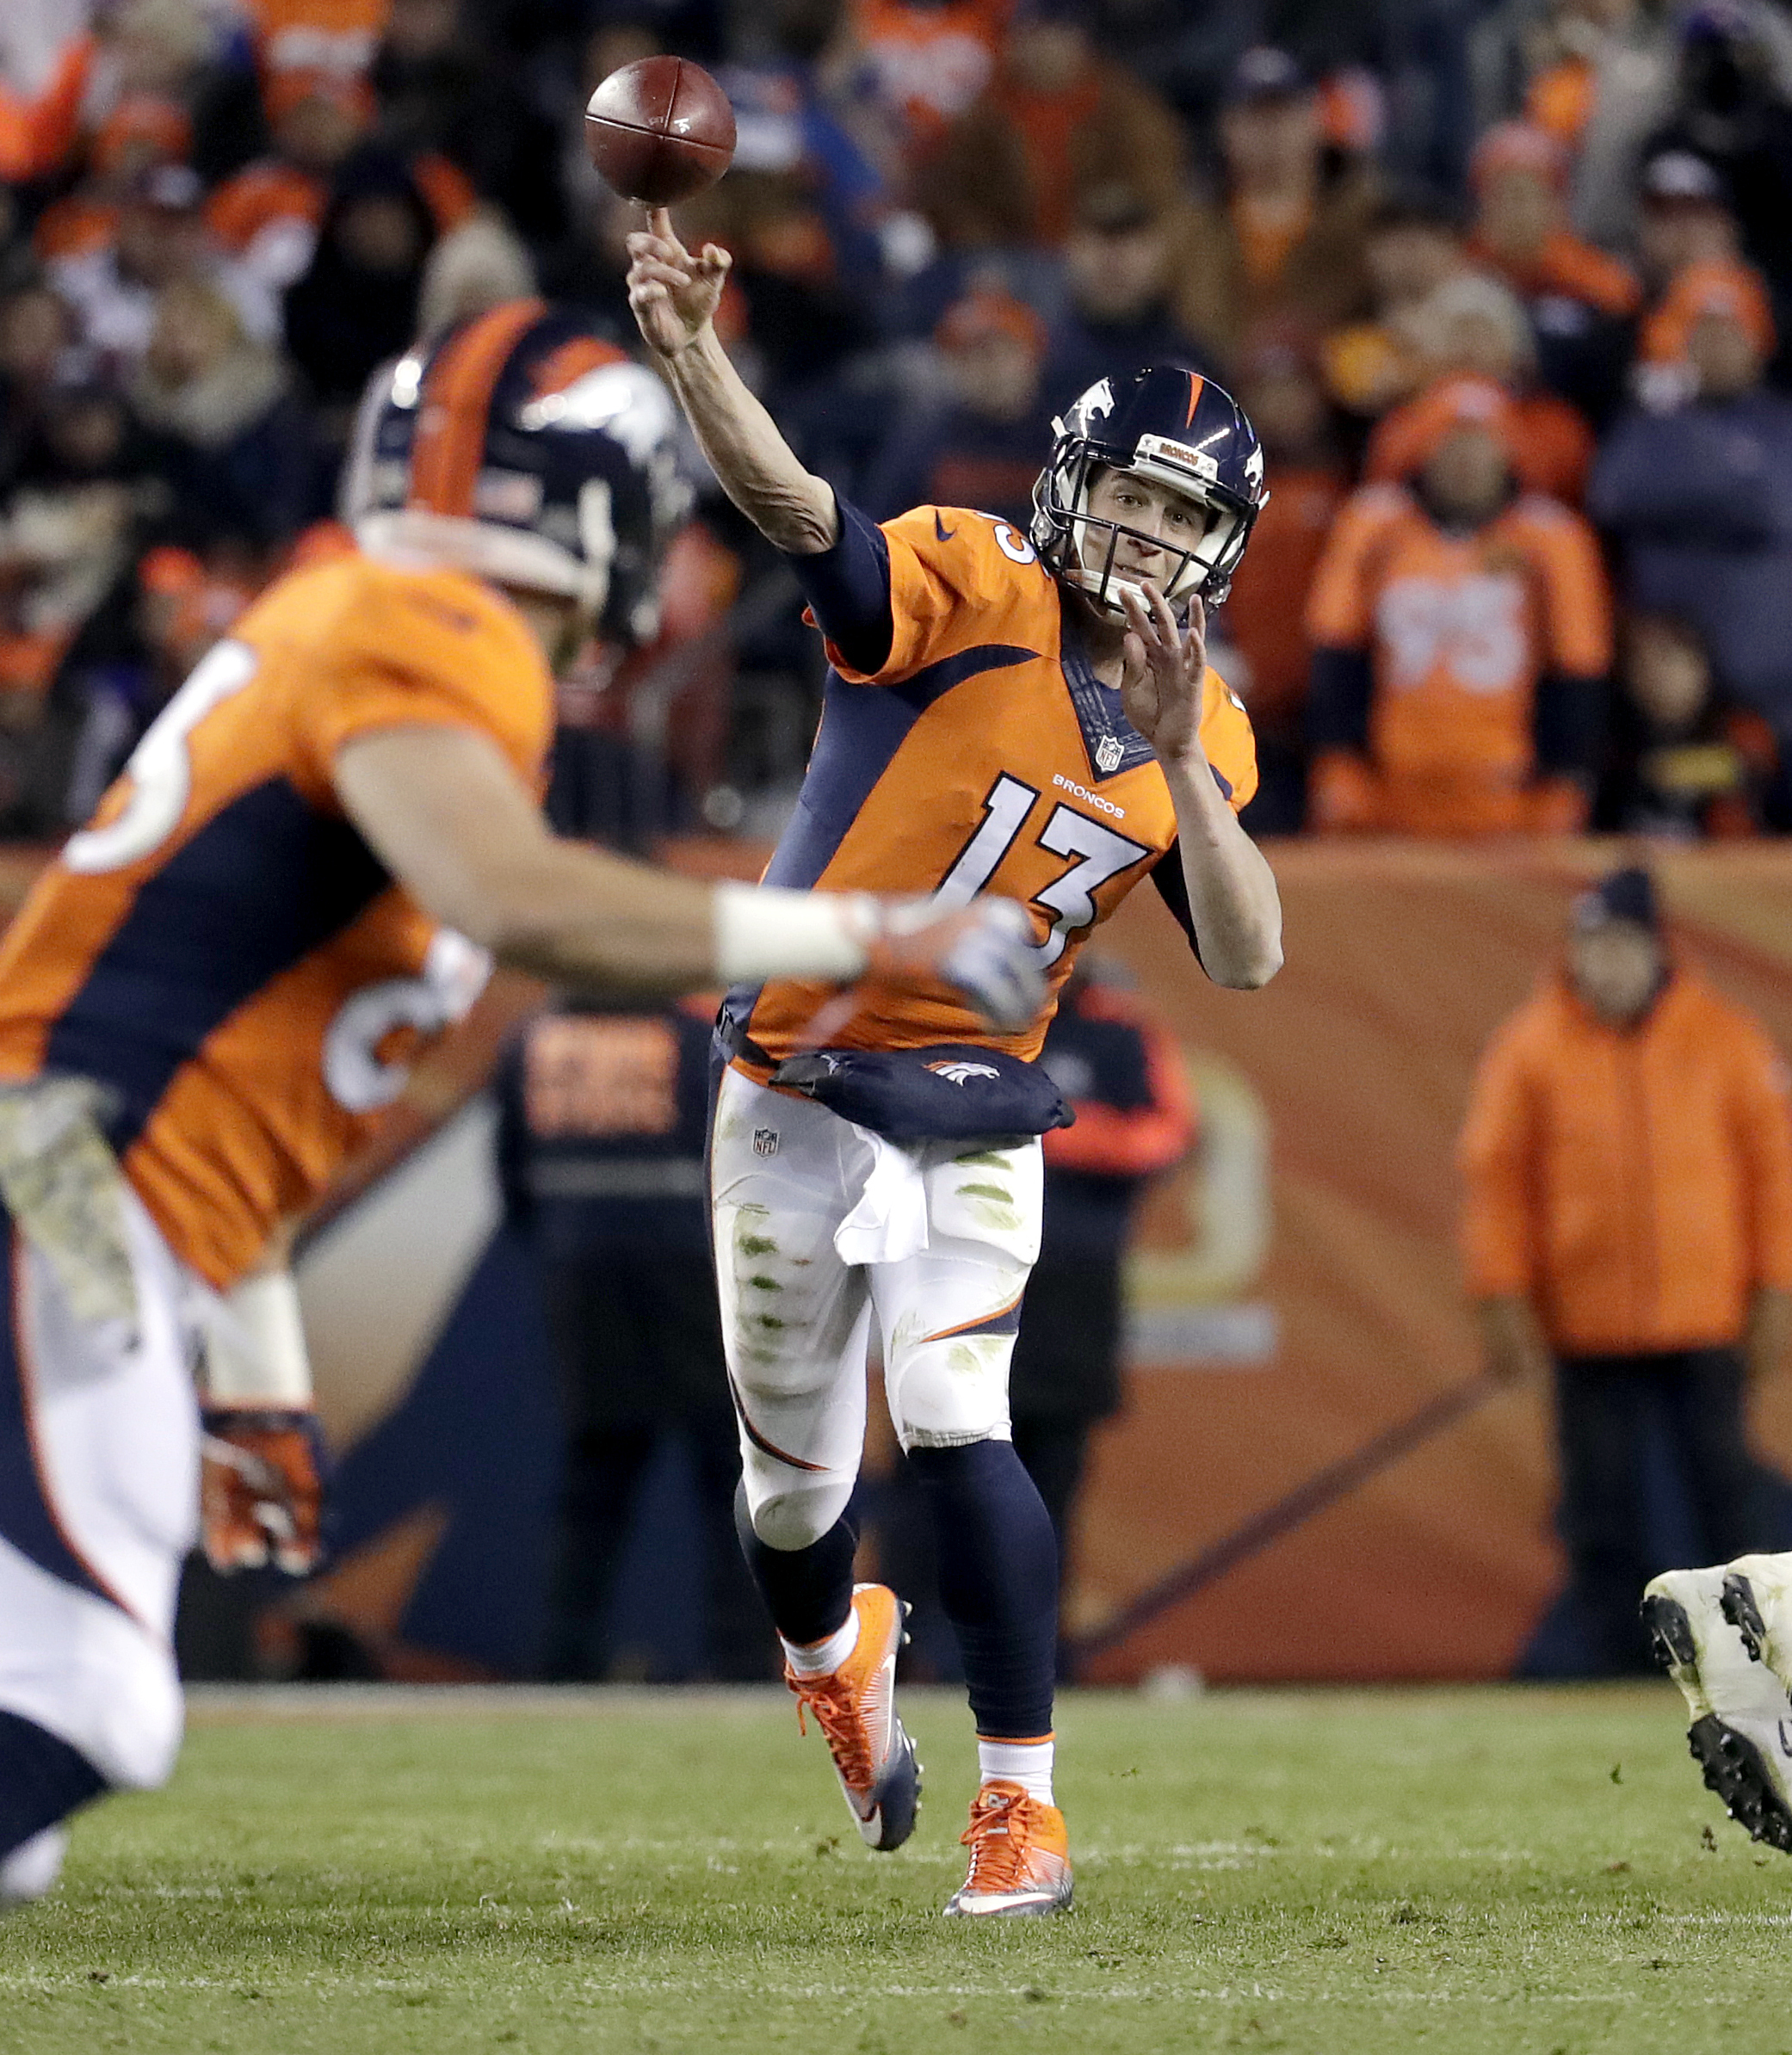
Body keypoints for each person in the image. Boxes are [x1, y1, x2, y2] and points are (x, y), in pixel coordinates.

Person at [0, 297, 1044, 1906]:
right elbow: (523, 899)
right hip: (67, 1183)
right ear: (603, 512)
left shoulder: (362, 612)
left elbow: (232, 1045)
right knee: (91, 1701)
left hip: (93, 1188)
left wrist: (264, 1360)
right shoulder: (439, 626)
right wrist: (866, 930)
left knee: (48, 1770)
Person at [626, 207, 1281, 1918]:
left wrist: (1187, 760)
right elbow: (795, 514)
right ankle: (838, 1655)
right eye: (1131, 496)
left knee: (954, 1409)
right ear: (1075, 489)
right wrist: (696, 355)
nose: (1148, 535)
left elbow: (1256, 952)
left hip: (968, 1099)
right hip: (788, 1072)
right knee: (790, 1501)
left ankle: (1024, 1808)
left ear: (1223, 551)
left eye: (1183, 516)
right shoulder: (973, 582)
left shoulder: (1207, 721)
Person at [1460, 865, 1792, 1675]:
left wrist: (1775, 1287)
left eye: (1618, 944)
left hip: (1703, 1314)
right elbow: (1495, 1179)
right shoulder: (1531, 1047)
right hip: (1588, 1321)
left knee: (1724, 1495)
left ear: (1657, 948)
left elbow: (1772, 1172)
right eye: (1589, 945)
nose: (1602, 963)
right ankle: (1612, 1666)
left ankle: (1748, 1666)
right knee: (1600, 1511)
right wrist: (1500, 1296)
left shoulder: (1724, 1036)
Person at [497, 997, 773, 1683]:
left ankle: (565, 1663)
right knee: (725, 1472)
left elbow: (513, 1175)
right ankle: (738, 1661)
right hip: (690, 1274)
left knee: (596, 1479)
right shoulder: (693, 1038)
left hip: (581, 1271)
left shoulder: (536, 1038)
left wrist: (563, 1237)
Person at [1305, 376, 1611, 837]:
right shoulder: (1375, 527)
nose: (1466, 459)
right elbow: (1336, 657)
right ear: (1422, 449)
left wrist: (1564, 782)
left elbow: (1578, 673)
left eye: (1482, 443)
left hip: (1508, 794)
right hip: (1391, 792)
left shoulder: (1550, 538)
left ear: (1509, 451)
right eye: (1450, 441)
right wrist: (1338, 765)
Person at [1589, 267, 1792, 742]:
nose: (1715, 347)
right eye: (1701, 332)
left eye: (1730, 333)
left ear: (1758, 341)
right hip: (1661, 684)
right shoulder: (1651, 420)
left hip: (1769, 680)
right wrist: (1731, 493)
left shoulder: (1783, 425)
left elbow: (1775, 507)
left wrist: (1672, 505)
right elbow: (1613, 495)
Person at [1592, 611, 1778, 837]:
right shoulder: (1611, 733)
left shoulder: (1730, 726)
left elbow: (1743, 808)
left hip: (1711, 861)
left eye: (1674, 657)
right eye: (1647, 659)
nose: (1662, 675)